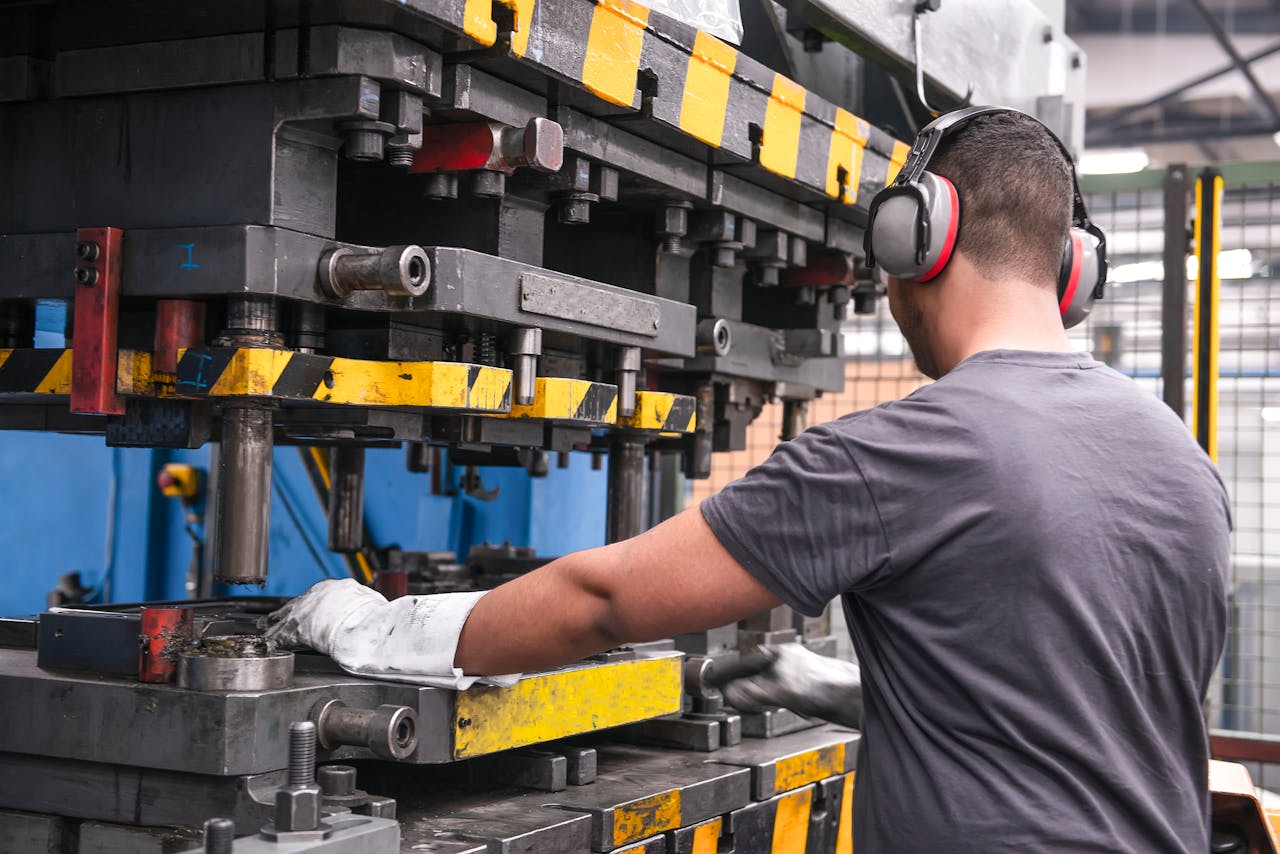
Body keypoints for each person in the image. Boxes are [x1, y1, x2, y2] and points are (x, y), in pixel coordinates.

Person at [265, 109, 1230, 851]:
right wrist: (858, 688)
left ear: (915, 242)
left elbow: (603, 600)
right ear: (1071, 272)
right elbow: (1096, 698)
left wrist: (379, 626)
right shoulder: (1181, 460)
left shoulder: (906, 454)